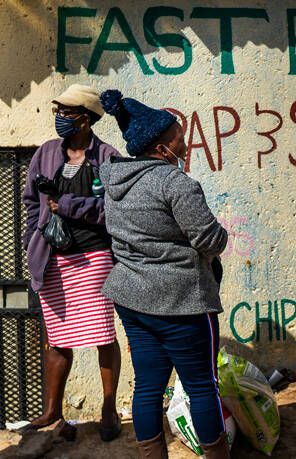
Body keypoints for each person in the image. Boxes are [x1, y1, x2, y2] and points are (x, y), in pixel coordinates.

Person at [98, 90, 229, 459]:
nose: (184, 142)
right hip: (181, 303)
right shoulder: (176, 183)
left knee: (147, 388)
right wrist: (222, 234)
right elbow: (209, 239)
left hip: (132, 300)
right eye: (178, 136)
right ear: (161, 146)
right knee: (203, 388)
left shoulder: (114, 183)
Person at [20, 84, 122, 440]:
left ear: (86, 118)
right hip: (52, 258)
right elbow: (33, 201)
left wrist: (66, 205)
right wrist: (32, 239)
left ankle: (109, 409)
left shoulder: (107, 156)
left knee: (101, 334)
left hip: (93, 257)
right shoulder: (46, 153)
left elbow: (116, 209)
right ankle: (52, 410)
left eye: (66, 112)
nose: (60, 118)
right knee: (57, 337)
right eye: (57, 112)